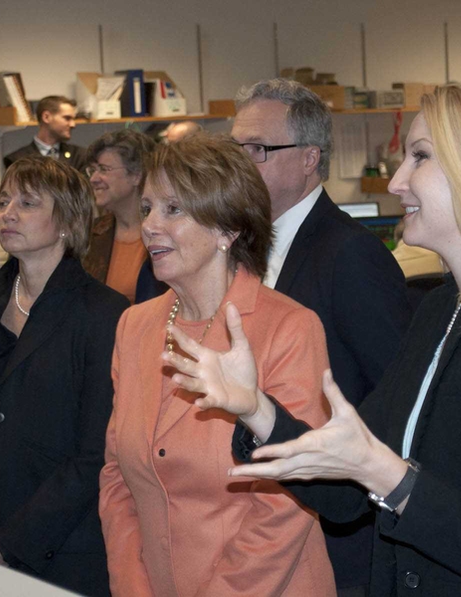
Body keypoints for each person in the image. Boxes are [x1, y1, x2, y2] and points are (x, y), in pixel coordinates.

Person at [168, 84, 461, 596]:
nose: (397, 182)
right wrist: (256, 411)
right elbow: (346, 496)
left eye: (419, 157)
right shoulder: (442, 307)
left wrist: (387, 475)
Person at [99, 136, 337, 596]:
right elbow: (116, 474)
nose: (149, 225)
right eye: (147, 208)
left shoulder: (289, 328)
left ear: (228, 230)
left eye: (172, 209)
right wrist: (133, 586)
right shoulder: (134, 327)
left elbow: (286, 505)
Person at [231, 77, 412, 594]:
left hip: (339, 520)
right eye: (235, 147)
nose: (241, 162)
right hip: (271, 504)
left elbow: (394, 389)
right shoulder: (247, 245)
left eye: (258, 149)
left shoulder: (350, 254)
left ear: (309, 158)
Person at [0, 156, 128, 596]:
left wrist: (7, 542)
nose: (7, 214)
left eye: (27, 202)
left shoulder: (106, 314)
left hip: (61, 548)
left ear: (67, 221)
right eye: (3, 201)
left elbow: (95, 452)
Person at [82, 129, 165, 303]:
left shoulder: (167, 232)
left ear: (136, 175)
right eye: (93, 170)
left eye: (104, 169)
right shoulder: (89, 234)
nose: (93, 179)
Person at [3, 96, 87, 171]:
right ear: (46, 117)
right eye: (67, 118)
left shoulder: (80, 156)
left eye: (73, 119)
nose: (73, 124)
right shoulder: (17, 160)